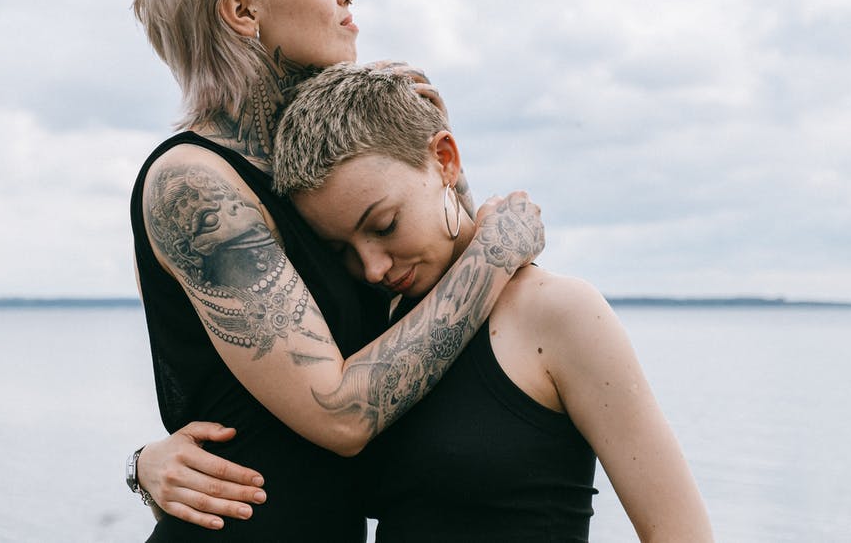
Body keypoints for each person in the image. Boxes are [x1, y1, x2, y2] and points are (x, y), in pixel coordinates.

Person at [128, 0, 544, 540]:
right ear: (243, 9)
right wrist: (494, 252)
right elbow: (341, 414)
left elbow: (437, 307)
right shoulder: (193, 183)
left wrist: (434, 163)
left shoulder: (319, 179)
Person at [266, 62, 711, 541]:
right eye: (342, 252)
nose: (373, 268)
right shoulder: (374, 326)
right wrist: (170, 467)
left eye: (385, 225)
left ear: (445, 160)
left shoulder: (558, 314)